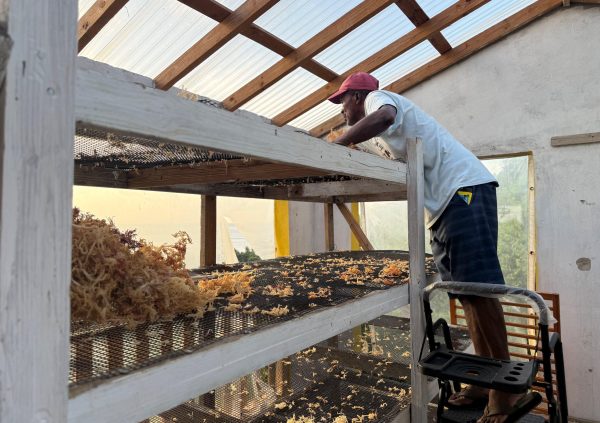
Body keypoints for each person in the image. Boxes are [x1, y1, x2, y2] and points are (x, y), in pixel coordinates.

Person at [327, 72, 521, 423]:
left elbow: (383, 116)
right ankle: (483, 378)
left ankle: (505, 388)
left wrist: (338, 144)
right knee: (465, 294)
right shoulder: (381, 138)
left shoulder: (380, 101)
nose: (341, 110)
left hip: (464, 192)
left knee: (480, 291)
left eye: (342, 101)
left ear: (357, 96)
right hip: (446, 205)